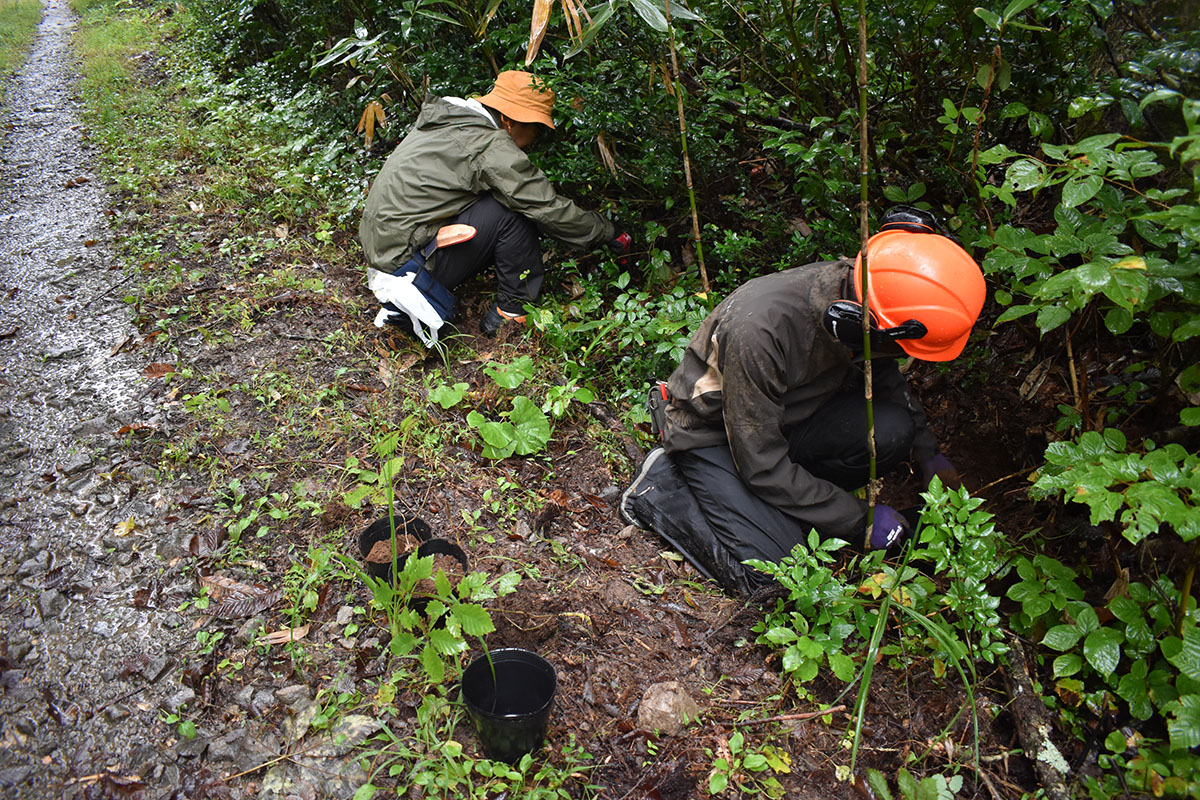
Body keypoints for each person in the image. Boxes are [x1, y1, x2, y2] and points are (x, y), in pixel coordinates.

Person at [620, 208, 986, 596]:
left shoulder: (866, 295)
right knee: (777, 571)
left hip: (782, 420)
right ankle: (661, 488)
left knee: (893, 431)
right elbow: (762, 465)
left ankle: (774, 507)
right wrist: (858, 521)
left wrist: (929, 454)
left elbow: (883, 375)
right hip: (715, 435)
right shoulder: (761, 330)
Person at [359, 70, 631, 344]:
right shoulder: (488, 143)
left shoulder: (449, 122)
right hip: (405, 263)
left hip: (385, 252)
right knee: (513, 211)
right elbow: (546, 207)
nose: (536, 138)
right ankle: (510, 314)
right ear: (509, 120)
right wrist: (609, 232)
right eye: (535, 128)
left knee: (500, 199)